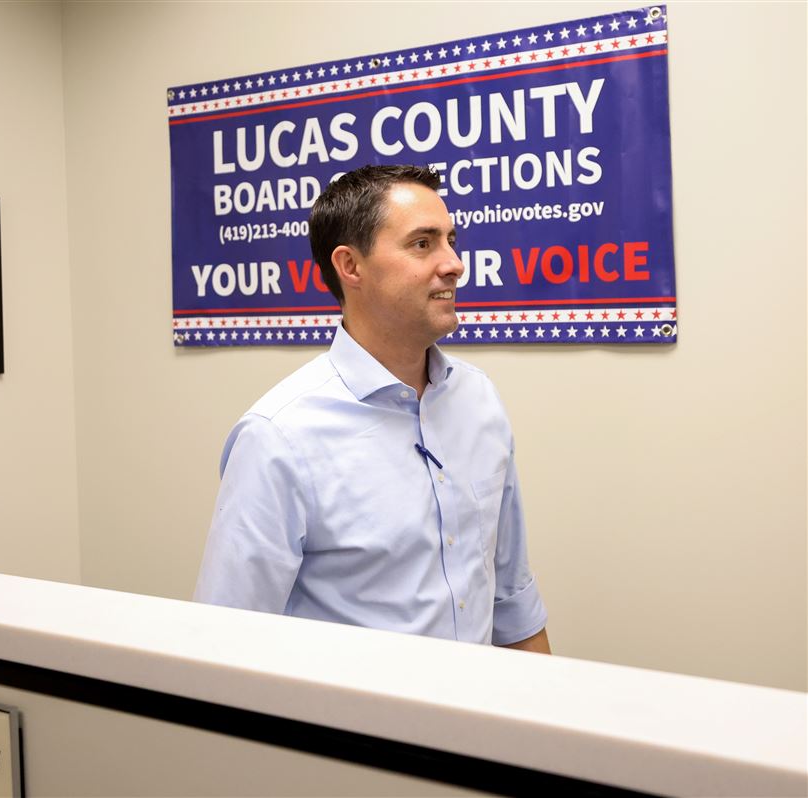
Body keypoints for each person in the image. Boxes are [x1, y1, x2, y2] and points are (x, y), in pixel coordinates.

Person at [193, 164, 550, 653]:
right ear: (351, 266)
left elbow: (511, 597)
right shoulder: (279, 437)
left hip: (480, 719)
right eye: (423, 244)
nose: (453, 264)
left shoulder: (478, 400)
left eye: (451, 240)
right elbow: (227, 643)